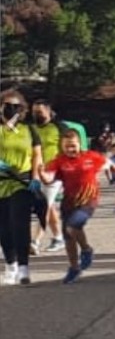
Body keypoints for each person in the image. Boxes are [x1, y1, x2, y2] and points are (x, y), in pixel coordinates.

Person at [40, 128, 115, 283]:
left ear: (79, 144)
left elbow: (108, 162)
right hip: (69, 202)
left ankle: (86, 249)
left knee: (72, 227)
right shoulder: (59, 160)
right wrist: (42, 175)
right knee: (69, 237)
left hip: (89, 200)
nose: (70, 149)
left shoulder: (90, 157)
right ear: (62, 146)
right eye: (67, 146)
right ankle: (74, 268)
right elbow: (50, 179)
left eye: (73, 145)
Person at [0, 89, 43, 286]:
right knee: (4, 227)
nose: (11, 109)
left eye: (15, 106)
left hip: (22, 181)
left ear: (22, 108)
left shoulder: (29, 129)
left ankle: (24, 267)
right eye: (7, 105)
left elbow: (37, 155)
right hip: (1, 180)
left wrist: (35, 178)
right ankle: (11, 264)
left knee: (19, 223)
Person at [29, 99, 65, 254]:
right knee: (49, 207)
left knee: (44, 206)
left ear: (48, 112)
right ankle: (58, 237)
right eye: (34, 112)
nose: (37, 115)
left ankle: (35, 241)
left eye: (40, 112)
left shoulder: (59, 128)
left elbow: (67, 149)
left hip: (53, 174)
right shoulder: (30, 129)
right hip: (36, 173)